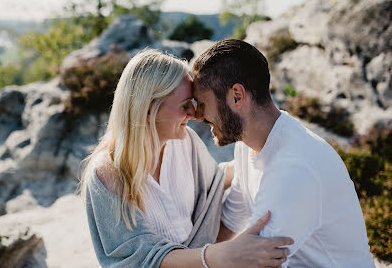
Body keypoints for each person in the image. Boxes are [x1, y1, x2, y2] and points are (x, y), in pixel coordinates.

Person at [81, 49, 293, 267]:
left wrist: (271, 152)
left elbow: (213, 185)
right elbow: (139, 257)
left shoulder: (185, 142)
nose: (194, 114)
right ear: (148, 109)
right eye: (184, 106)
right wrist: (220, 255)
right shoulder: (108, 175)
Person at [192, 39, 375, 267]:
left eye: (202, 103)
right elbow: (227, 226)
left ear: (237, 96)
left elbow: (255, 263)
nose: (197, 115)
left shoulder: (294, 167)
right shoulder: (247, 146)